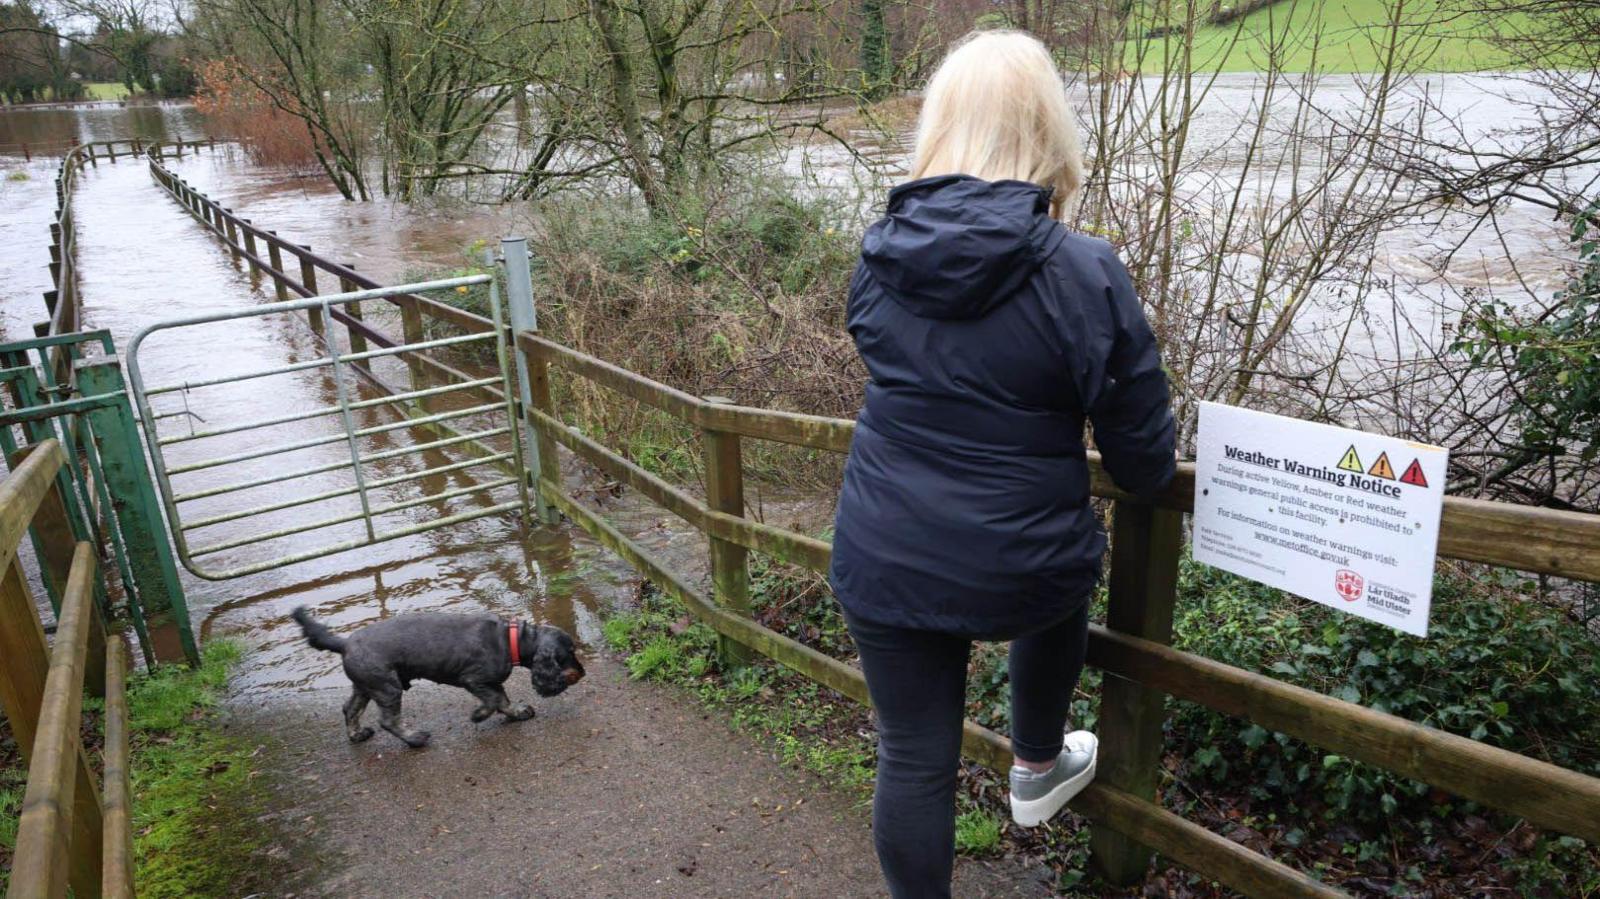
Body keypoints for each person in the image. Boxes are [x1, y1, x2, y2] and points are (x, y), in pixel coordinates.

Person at [828, 29, 1178, 898]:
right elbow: (1142, 465)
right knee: (1060, 573)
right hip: (1022, 564)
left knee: (912, 757)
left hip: (883, 544)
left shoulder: (879, 255)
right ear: (1047, 132)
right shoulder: (1083, 271)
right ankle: (1036, 756)